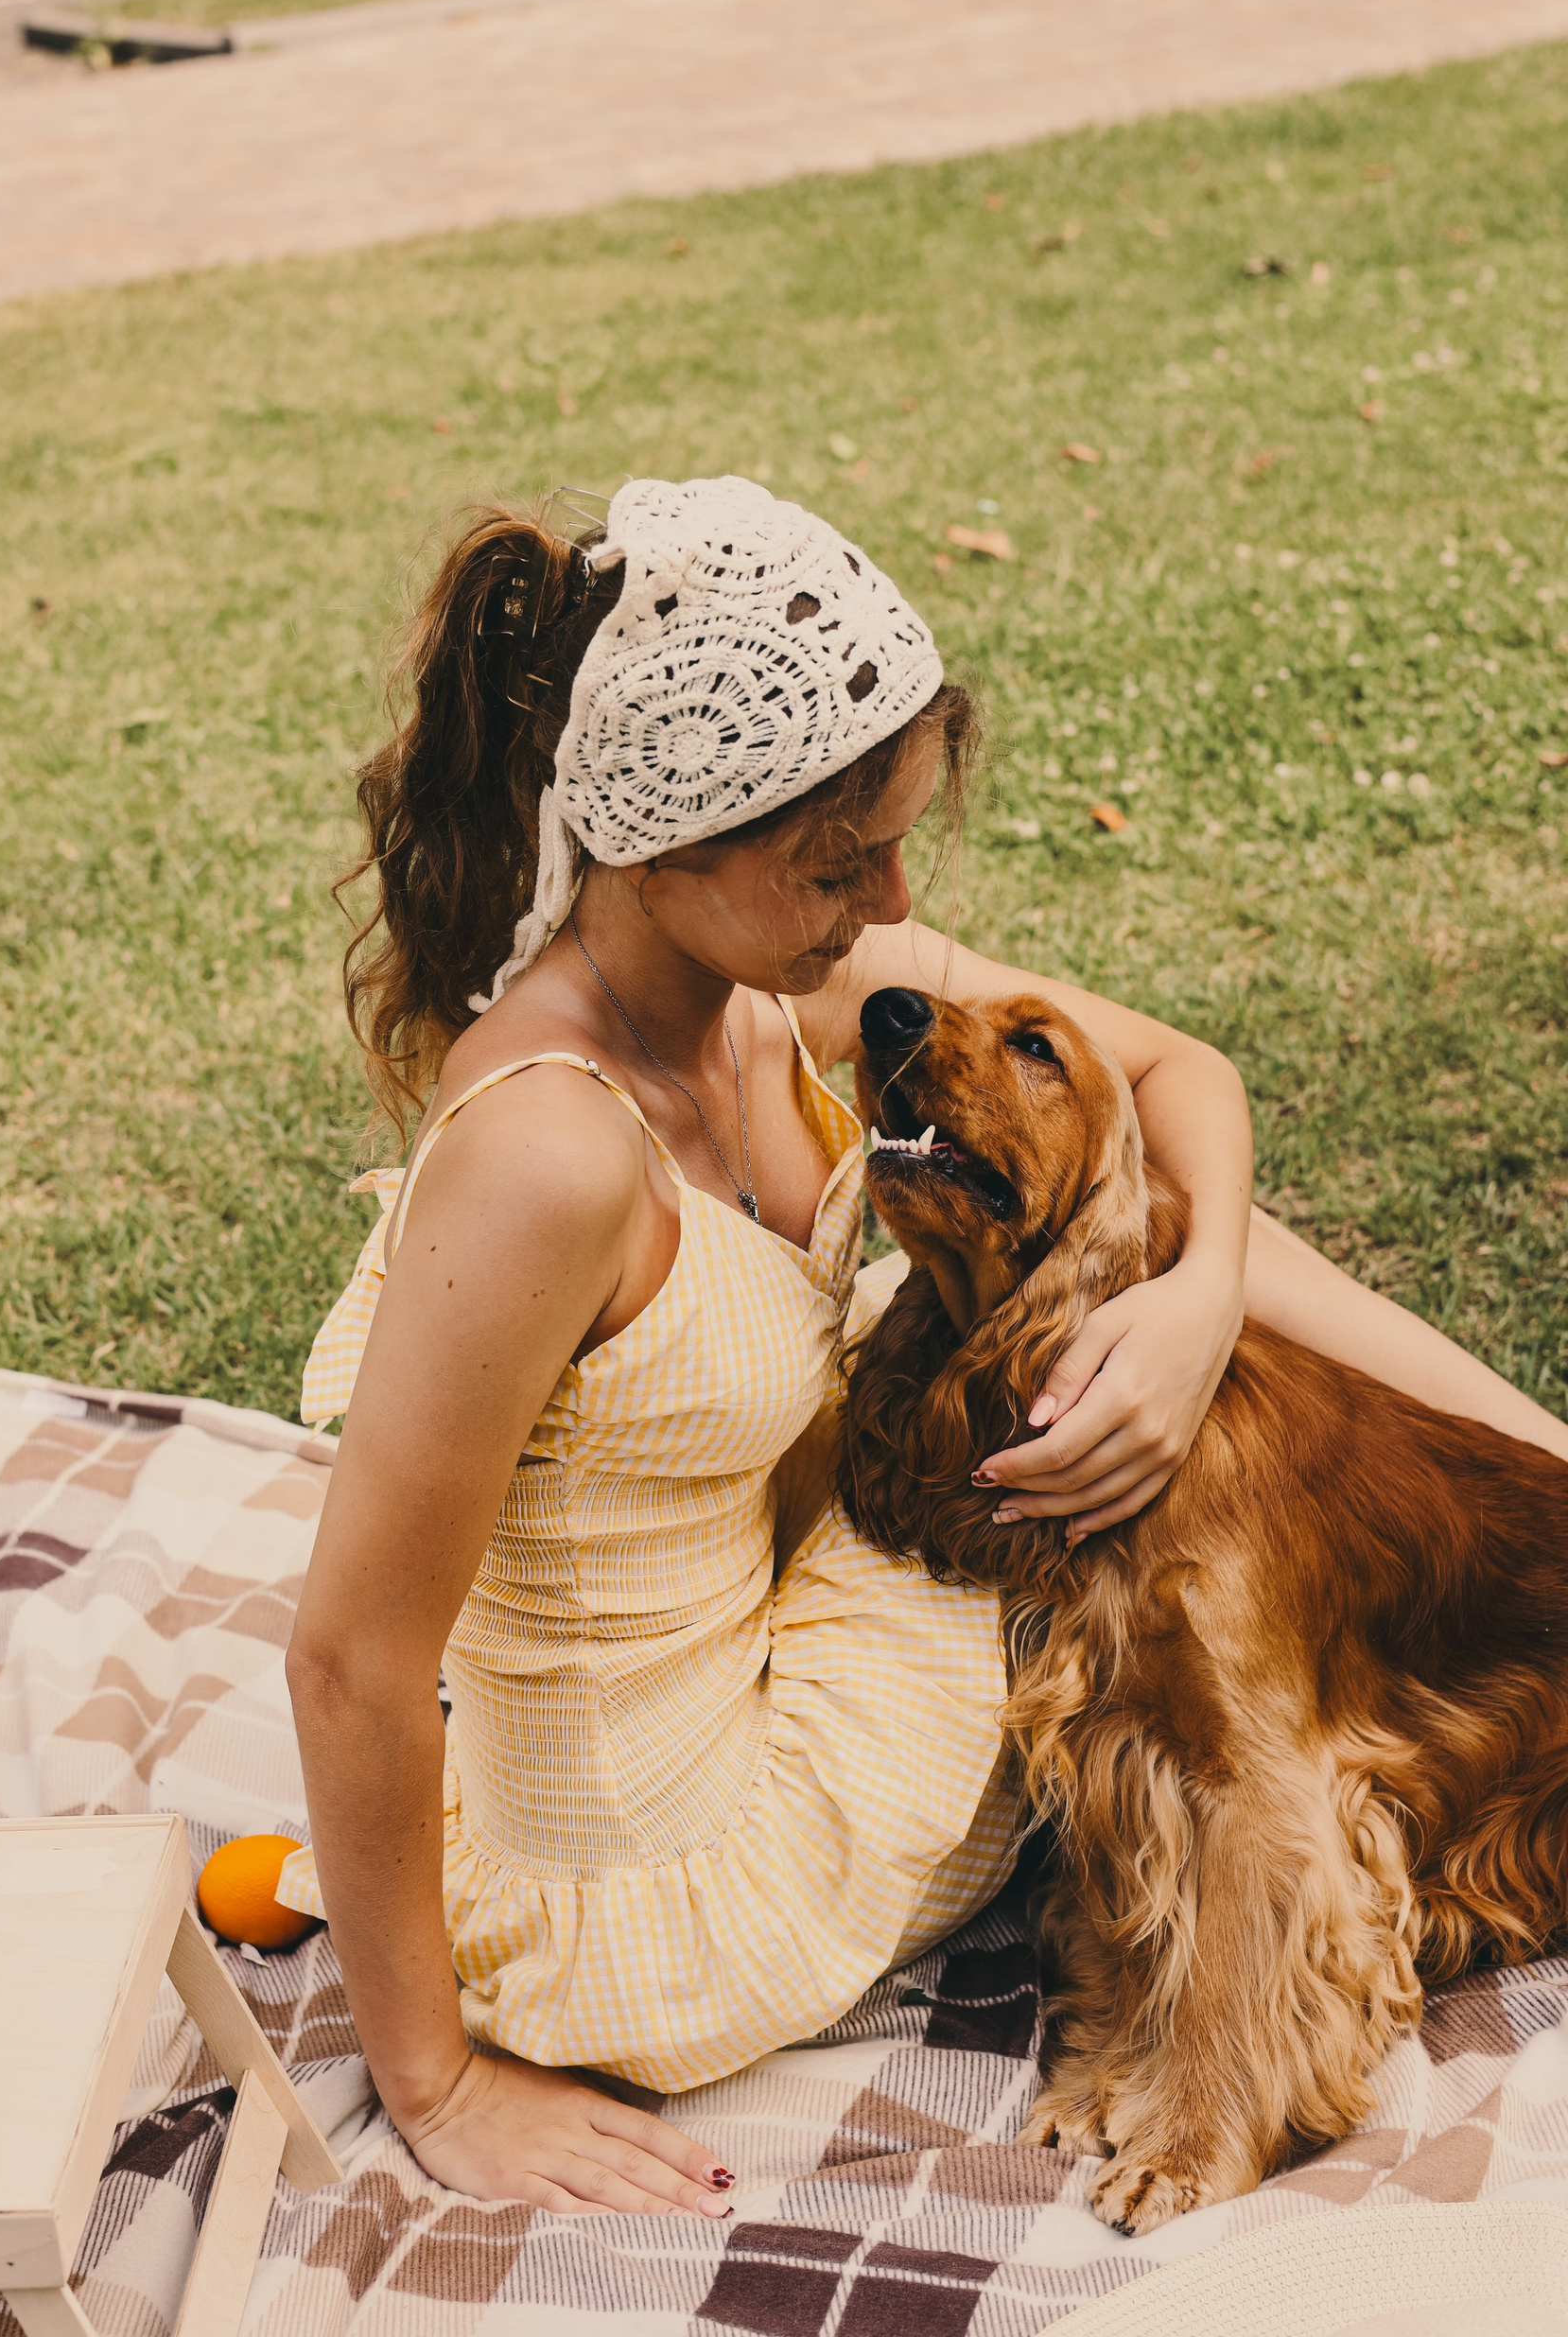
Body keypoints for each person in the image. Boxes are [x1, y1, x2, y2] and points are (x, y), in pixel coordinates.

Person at [283, 475, 1565, 2223]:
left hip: (768, 1642)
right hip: (694, 1884)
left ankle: (1544, 1474)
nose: (885, 899)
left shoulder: (763, 982)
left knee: (1141, 1263)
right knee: (1190, 1517)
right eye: (839, 861)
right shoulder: (546, 1156)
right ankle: (1333, 1827)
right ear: (658, 842)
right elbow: (349, 1657)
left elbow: (1176, 1077)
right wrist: (434, 2086)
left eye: (893, 844)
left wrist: (1194, 1308)